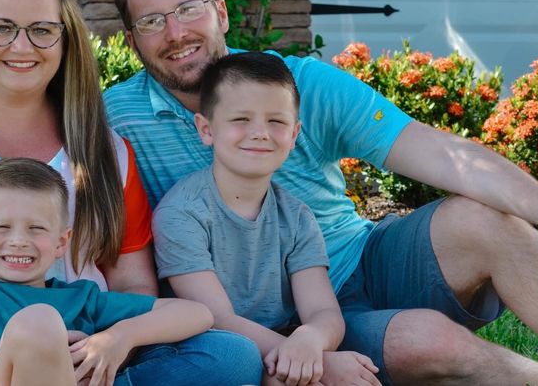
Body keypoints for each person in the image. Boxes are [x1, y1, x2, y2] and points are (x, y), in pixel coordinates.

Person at [104, 0, 538, 384]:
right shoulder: (115, 120)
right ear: (131, 40)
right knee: (425, 342)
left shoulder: (299, 86)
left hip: (352, 264)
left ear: (221, 13)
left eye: (189, 9)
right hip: (249, 318)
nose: (176, 33)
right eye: (152, 21)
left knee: (480, 220)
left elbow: (440, 152)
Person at [0, 0, 261, 384]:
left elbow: (132, 283)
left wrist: (111, 346)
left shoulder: (104, 147)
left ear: (66, 41)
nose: (22, 46)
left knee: (228, 352)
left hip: (82, 357)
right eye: (2, 27)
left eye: (42, 30)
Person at [0, 158, 219, 386]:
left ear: (62, 242)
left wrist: (118, 338)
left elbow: (197, 313)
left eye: (36, 229)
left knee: (229, 352)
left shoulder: (80, 298)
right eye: (2, 227)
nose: (18, 241)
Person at [152, 52, 381, 386]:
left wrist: (312, 340)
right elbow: (216, 319)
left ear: (294, 134)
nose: (260, 133)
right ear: (206, 129)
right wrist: (323, 363)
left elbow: (323, 311)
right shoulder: (182, 214)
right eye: (240, 119)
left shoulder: (297, 217)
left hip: (277, 348)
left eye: (276, 121)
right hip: (205, 355)